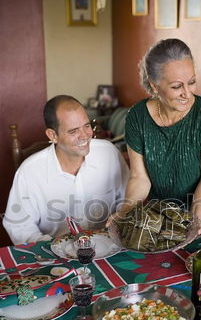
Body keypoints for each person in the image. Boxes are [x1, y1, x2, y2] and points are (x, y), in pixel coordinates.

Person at [108, 38, 201, 228]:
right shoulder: (137, 116)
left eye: (191, 82)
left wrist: (193, 221)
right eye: (177, 86)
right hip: (162, 218)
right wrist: (125, 212)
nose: (187, 93)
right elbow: (139, 178)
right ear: (154, 85)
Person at [3, 95, 129, 245]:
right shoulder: (29, 172)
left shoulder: (109, 153)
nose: (85, 136)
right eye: (73, 131)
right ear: (53, 135)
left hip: (109, 247)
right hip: (56, 255)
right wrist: (58, 248)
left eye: (87, 126)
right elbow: (19, 227)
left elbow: (128, 200)